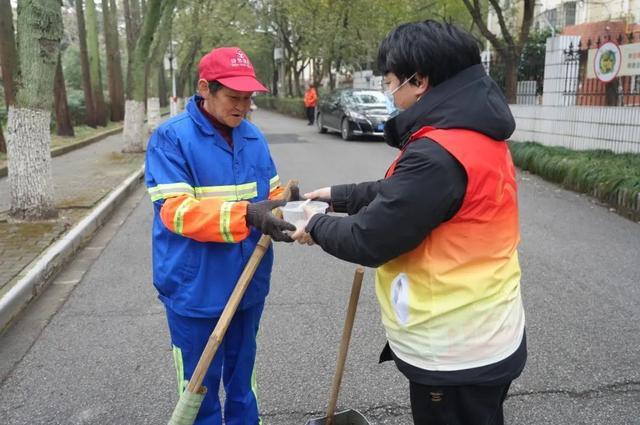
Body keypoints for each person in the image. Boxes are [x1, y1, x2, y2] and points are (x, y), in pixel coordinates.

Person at [292, 20, 526, 425]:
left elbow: (371, 239)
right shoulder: (474, 134)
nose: (390, 92)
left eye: (391, 82)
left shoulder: (438, 153)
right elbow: (406, 194)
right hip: (490, 331)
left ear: (419, 81)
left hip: (455, 351)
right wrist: (338, 196)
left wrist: (312, 224)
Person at [145, 46, 296, 425]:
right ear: (204, 89)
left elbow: (270, 196)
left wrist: (291, 204)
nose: (242, 107)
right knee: (199, 386)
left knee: (243, 380)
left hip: (248, 282)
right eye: (233, 97)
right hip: (195, 287)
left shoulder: (253, 137)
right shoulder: (171, 139)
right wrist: (248, 214)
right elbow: (176, 212)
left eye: (248, 98)